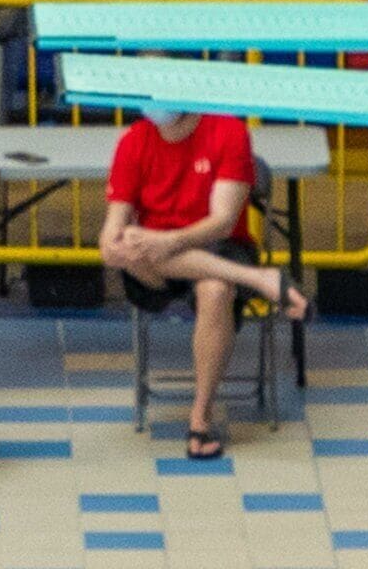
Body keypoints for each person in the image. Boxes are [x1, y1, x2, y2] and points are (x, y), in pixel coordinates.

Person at [99, 105, 310, 460]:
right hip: (154, 258)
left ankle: (200, 417)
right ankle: (261, 279)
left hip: (219, 246)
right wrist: (119, 241)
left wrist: (170, 242)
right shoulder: (133, 141)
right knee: (122, 246)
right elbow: (112, 232)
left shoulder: (228, 131)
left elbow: (223, 222)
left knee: (215, 289)